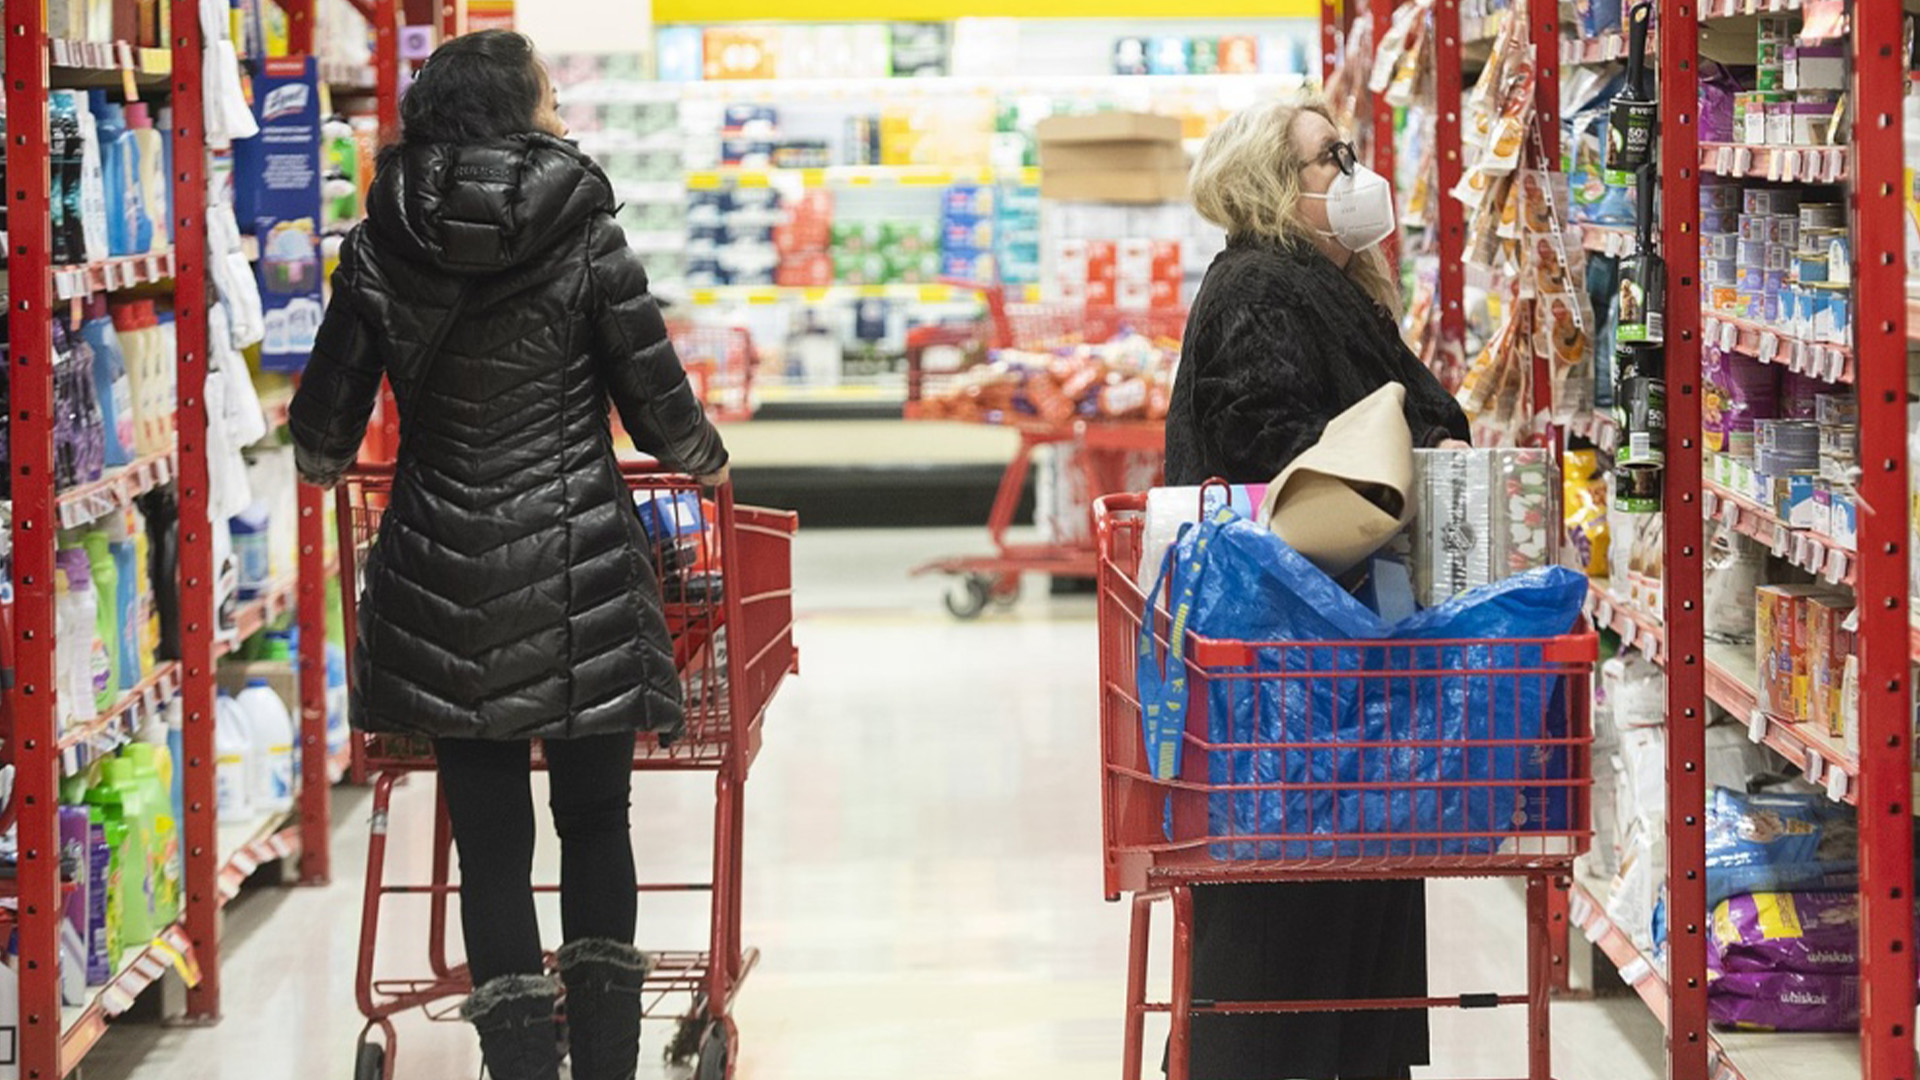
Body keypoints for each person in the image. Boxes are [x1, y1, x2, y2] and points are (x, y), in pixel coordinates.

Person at [289, 30, 728, 1080]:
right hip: (579, 566)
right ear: (516, 111)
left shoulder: (376, 242)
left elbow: (323, 432)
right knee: (594, 816)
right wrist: (704, 463)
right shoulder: (588, 234)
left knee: (486, 838)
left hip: (443, 578)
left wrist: (320, 459)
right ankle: (608, 1067)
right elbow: (653, 402)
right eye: (548, 95)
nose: (560, 110)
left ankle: (523, 1066)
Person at [1162, 97, 1471, 1079]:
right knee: (1285, 920)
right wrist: (1407, 469)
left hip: (1338, 656)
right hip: (1282, 667)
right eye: (1329, 159)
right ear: (1269, 186)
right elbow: (1268, 453)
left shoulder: (1327, 288)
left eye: (1352, 152)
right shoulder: (1260, 288)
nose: (1354, 173)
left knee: (1353, 904)